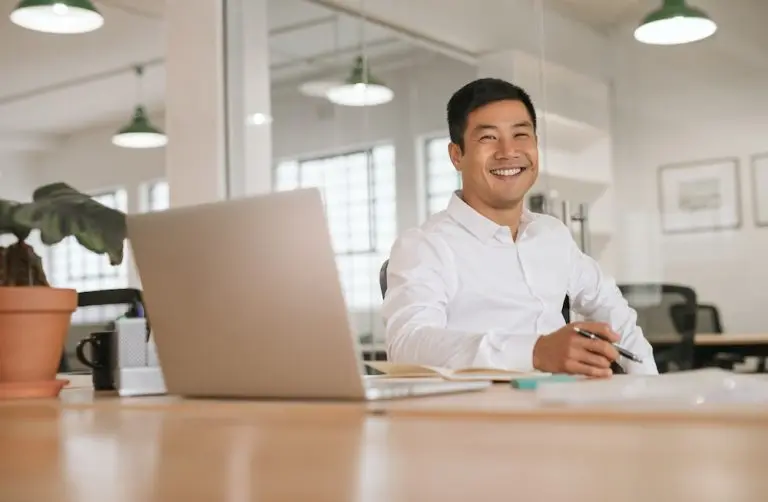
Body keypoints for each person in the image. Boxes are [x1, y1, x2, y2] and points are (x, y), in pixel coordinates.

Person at [381, 78, 658, 377]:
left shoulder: (552, 235)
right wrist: (535, 352)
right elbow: (408, 343)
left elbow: (613, 312)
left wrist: (652, 390)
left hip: (567, 409)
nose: (508, 151)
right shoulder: (425, 245)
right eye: (488, 138)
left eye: (521, 135)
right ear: (457, 155)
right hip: (482, 416)